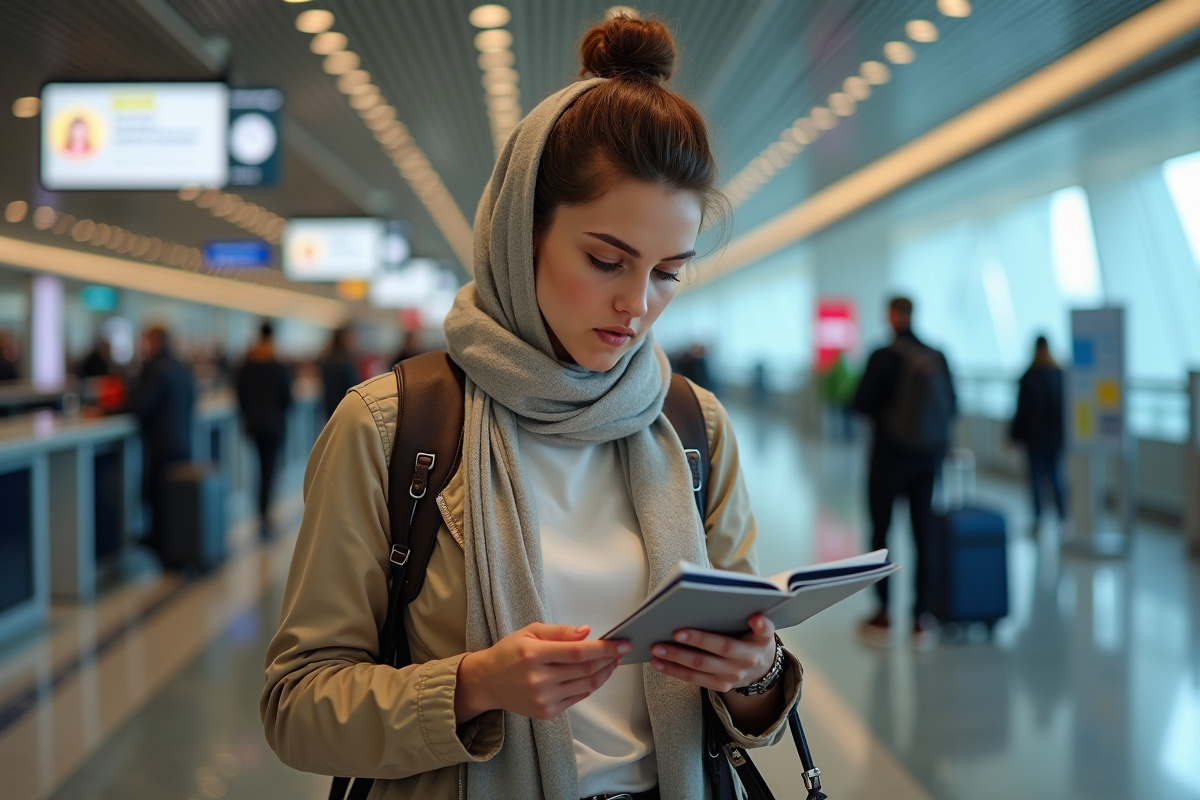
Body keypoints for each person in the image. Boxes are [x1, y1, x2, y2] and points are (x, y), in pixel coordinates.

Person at [261, 15, 802, 800]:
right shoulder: (392, 428)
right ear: (523, 233)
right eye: (605, 259)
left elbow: (752, 673)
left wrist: (758, 671)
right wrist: (471, 686)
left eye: (668, 272)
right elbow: (296, 705)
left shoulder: (692, 426)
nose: (636, 303)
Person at [852, 296, 956, 650]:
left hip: (888, 458)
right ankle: (921, 619)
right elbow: (953, 405)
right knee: (923, 533)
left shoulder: (883, 356)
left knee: (881, 533)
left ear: (892, 316)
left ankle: (883, 614)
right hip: (927, 461)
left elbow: (860, 403)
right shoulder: (936, 356)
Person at [126, 326, 195, 558]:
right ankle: (175, 549)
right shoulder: (180, 367)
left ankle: (164, 550)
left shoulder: (156, 370)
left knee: (157, 497)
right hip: (181, 440)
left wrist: (107, 409)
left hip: (161, 444)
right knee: (172, 499)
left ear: (154, 342)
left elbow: (140, 405)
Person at [235, 322, 293, 539]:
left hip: (253, 425)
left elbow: (240, 394)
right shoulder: (277, 365)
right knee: (269, 471)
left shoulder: (247, 365)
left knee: (257, 468)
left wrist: (249, 414)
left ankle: (260, 513)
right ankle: (265, 516)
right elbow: (287, 397)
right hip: (274, 425)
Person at [1010, 336, 1066, 530]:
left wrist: (1014, 435)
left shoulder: (1029, 376)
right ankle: (1063, 518)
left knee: (1036, 479)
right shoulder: (1059, 374)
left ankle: (1038, 518)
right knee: (1056, 476)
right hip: (1055, 438)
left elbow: (1021, 410)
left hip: (1034, 438)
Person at [318, 326, 360, 421]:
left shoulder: (327, 357)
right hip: (344, 405)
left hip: (329, 404)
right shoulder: (345, 361)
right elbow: (353, 386)